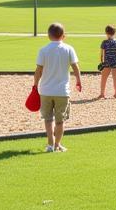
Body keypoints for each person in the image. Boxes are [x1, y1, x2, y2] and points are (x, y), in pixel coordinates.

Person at [34, 22, 81, 152]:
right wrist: (78, 81)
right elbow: (75, 67)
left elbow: (38, 70)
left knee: (48, 119)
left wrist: (35, 85)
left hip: (45, 90)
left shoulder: (43, 50)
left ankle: (50, 144)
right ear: (63, 36)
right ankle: (57, 145)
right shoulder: (69, 49)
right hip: (62, 91)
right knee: (60, 121)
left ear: (49, 35)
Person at [98, 24, 116, 99]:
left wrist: (102, 62)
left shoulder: (104, 42)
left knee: (104, 78)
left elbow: (102, 54)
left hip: (106, 63)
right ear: (115, 33)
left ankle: (102, 93)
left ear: (106, 33)